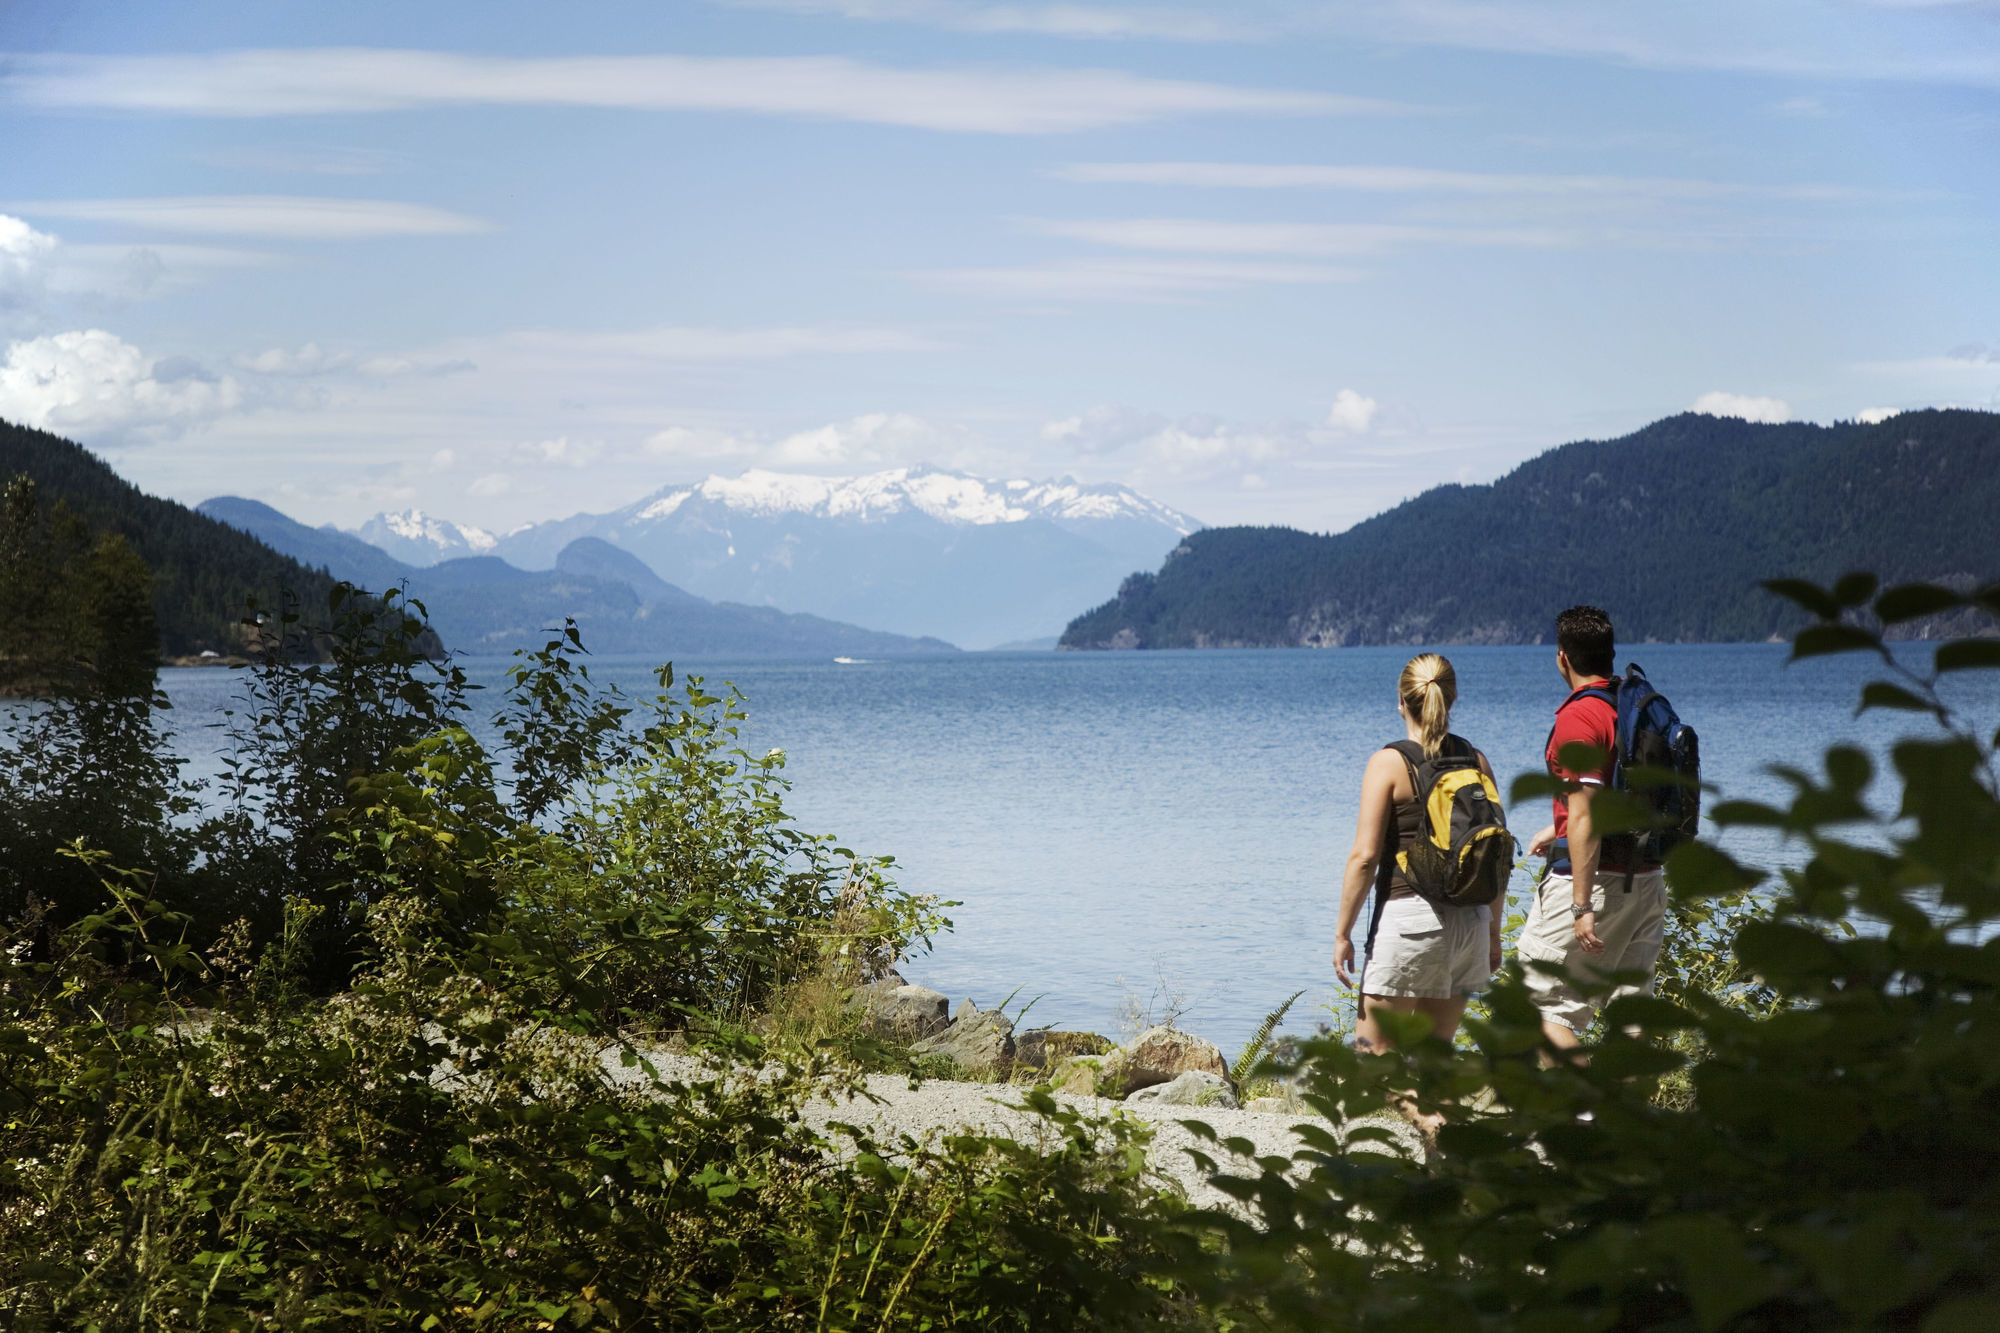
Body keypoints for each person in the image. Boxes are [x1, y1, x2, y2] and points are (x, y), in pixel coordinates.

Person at [1333, 654, 1505, 1120]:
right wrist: (1493, 933)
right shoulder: (1477, 759)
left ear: (1401, 701)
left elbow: (1365, 857)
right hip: (1471, 921)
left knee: (1375, 1058)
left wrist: (1342, 932)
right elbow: (1494, 856)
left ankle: (1431, 1128)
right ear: (1452, 698)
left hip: (1410, 921)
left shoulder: (1389, 763)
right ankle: (1450, 1166)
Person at [1519, 605, 1668, 1053]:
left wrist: (1582, 904)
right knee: (1630, 1010)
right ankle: (1630, 1116)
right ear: (1610, 653)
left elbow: (1585, 813)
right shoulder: (1630, 706)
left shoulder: (1579, 718)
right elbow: (1614, 793)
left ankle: (1587, 1116)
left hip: (1597, 882)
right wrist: (1557, 828)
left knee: (1537, 1006)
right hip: (1647, 878)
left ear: (1562, 657)